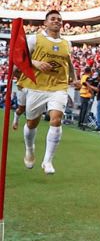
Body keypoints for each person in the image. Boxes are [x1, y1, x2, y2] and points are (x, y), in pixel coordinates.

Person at [21, 10, 74, 174]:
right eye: (53, 19)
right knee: (31, 123)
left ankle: (47, 161)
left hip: (58, 87)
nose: (56, 21)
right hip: (36, 86)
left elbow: (68, 63)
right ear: (45, 23)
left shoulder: (67, 43)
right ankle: (30, 149)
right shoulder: (34, 39)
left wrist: (74, 77)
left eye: (59, 19)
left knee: (56, 120)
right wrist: (35, 63)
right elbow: (20, 59)